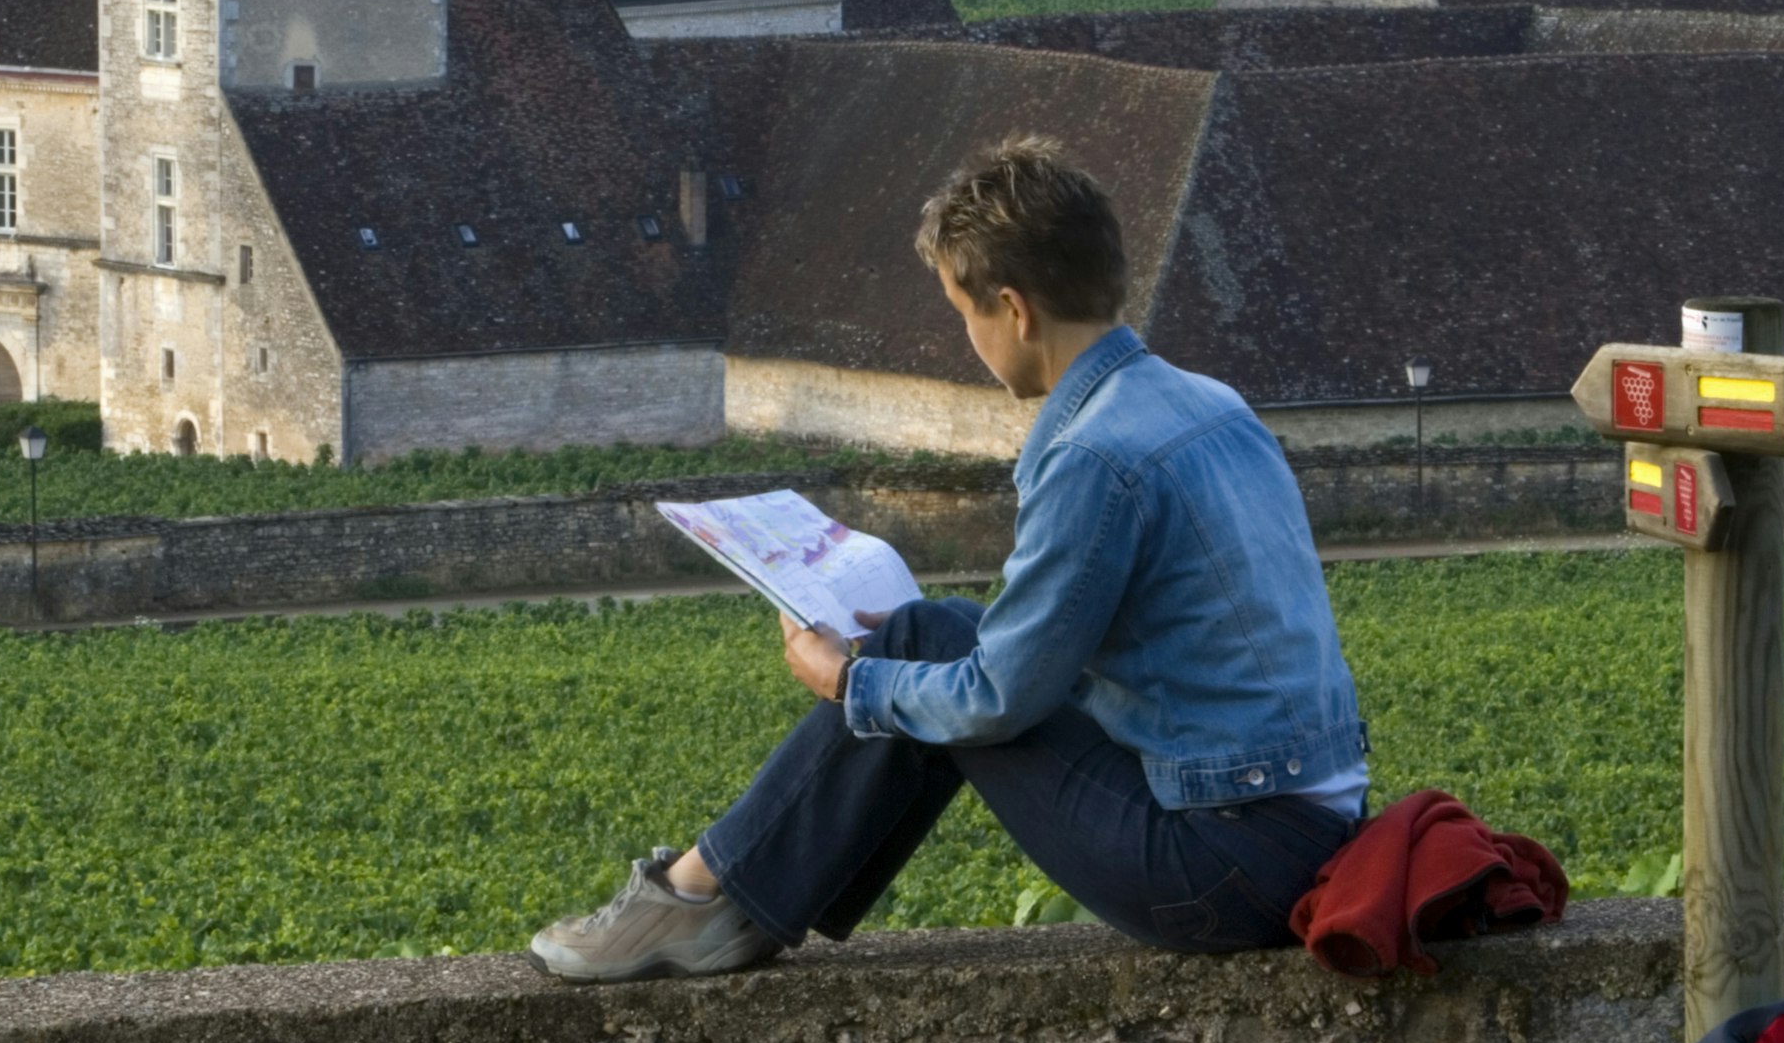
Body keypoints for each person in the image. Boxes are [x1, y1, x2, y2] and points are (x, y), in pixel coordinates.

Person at [531, 136, 1369, 983]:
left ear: (1013, 310)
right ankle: (717, 905)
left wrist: (848, 682)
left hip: (1223, 868)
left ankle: (691, 898)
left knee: (917, 656)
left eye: (963, 314)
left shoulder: (1092, 456)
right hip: (1302, 828)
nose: (969, 337)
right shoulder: (1209, 403)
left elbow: (1001, 700)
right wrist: (900, 661)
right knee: (932, 629)